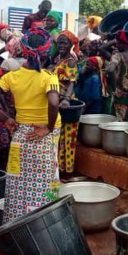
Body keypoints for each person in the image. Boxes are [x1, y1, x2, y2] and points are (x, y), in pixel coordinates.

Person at [0, 28, 60, 221]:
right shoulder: (49, 78)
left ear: (24, 50)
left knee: (17, 183)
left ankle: (15, 225)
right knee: (44, 183)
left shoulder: (12, 77)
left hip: (20, 135)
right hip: (43, 135)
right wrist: (48, 127)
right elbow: (54, 103)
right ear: (46, 53)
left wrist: (6, 118)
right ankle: (43, 224)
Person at [52, 30, 80, 174]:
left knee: (68, 138)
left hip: (65, 102)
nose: (61, 45)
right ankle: (59, 167)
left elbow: (71, 82)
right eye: (59, 43)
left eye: (64, 43)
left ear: (71, 45)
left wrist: (67, 100)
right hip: (56, 101)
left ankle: (66, 171)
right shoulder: (57, 58)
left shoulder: (70, 61)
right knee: (58, 136)